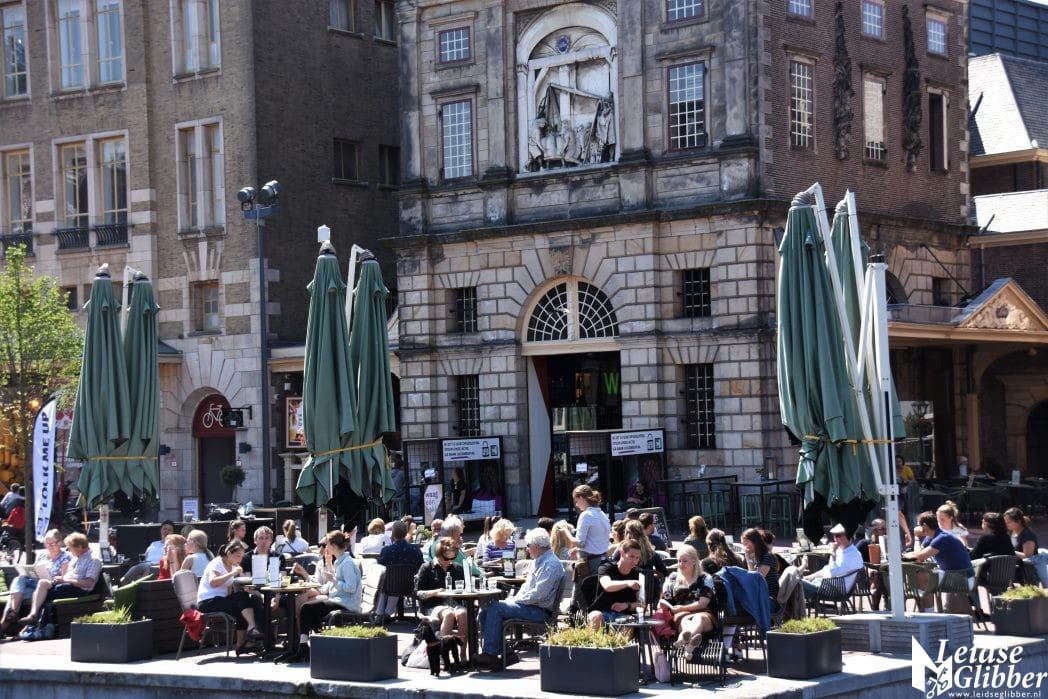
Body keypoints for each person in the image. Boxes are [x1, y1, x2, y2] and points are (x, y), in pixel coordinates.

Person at [475, 528, 567, 669]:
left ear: (537, 546)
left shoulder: (550, 564)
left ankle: (491, 655)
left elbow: (538, 595)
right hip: (531, 606)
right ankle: (507, 653)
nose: (527, 549)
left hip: (541, 611)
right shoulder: (539, 561)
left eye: (528, 546)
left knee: (495, 607)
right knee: (485, 613)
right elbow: (527, 588)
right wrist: (513, 600)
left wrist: (514, 601)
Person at [296, 530, 362, 661]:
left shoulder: (347, 563)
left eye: (327, 544)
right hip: (339, 600)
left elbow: (351, 588)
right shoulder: (339, 562)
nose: (325, 547)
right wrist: (329, 567)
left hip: (346, 604)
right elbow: (328, 587)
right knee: (309, 609)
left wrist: (333, 579)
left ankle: (304, 647)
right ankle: (313, 645)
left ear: (333, 545)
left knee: (307, 609)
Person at [20, 532, 102, 636]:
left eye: (70, 548)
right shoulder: (76, 558)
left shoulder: (93, 560)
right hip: (67, 585)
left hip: (79, 589)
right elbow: (68, 576)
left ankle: (33, 624)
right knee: (42, 583)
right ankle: (33, 616)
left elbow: (88, 583)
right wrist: (61, 578)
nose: (69, 550)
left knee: (44, 595)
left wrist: (66, 580)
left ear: (80, 547)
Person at [196, 539, 265, 651]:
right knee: (240, 608)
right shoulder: (217, 563)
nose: (240, 559)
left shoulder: (233, 566)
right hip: (208, 601)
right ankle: (244, 641)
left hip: (221, 599)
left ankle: (251, 632)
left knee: (244, 598)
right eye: (238, 556)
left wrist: (256, 592)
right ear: (228, 553)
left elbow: (230, 588)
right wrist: (232, 573)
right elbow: (213, 582)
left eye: (241, 556)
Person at [0, 529, 70, 636]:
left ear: (60, 542)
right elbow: (35, 569)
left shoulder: (65, 557)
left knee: (13, 597)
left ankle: (4, 625)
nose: (49, 547)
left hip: (46, 586)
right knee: (19, 579)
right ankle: (12, 613)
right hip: (33, 583)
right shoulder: (42, 555)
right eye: (47, 544)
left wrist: (54, 578)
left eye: (52, 544)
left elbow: (64, 577)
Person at [907, 511, 974, 611]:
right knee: (920, 575)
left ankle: (929, 613)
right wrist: (913, 554)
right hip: (953, 575)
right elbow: (918, 553)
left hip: (963, 579)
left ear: (924, 526)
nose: (917, 528)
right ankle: (925, 609)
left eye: (918, 525)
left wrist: (916, 537)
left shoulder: (943, 537)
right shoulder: (932, 537)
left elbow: (919, 557)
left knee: (922, 576)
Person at [660, 544, 717, 658]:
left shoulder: (705, 578)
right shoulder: (672, 578)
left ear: (694, 561)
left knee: (699, 618)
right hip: (681, 615)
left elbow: (703, 603)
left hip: (703, 612)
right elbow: (665, 599)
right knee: (685, 622)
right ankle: (689, 647)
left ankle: (682, 641)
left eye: (685, 561)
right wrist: (664, 604)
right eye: (679, 561)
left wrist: (682, 608)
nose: (681, 564)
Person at [414, 536, 468, 642]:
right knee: (448, 614)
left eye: (452, 558)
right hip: (434, 605)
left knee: (463, 614)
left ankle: (462, 650)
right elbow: (417, 593)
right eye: (446, 558)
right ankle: (442, 648)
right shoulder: (427, 568)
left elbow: (466, 588)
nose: (449, 561)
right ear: (438, 555)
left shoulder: (457, 568)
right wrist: (436, 592)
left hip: (455, 604)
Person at [374, 520, 424, 625]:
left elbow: (380, 567)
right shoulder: (415, 549)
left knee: (383, 580)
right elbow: (422, 566)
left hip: (390, 586)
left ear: (393, 534)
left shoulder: (386, 550)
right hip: (410, 586)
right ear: (406, 533)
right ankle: (385, 613)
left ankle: (380, 614)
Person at [588, 539, 643, 630]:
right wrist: (628, 583)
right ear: (622, 553)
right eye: (631, 556)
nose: (634, 561)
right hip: (602, 611)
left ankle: (623, 640)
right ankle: (594, 640)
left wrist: (627, 605)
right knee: (595, 616)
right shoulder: (606, 568)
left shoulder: (639, 574)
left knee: (629, 622)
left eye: (637, 558)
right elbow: (607, 586)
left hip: (624, 614)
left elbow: (642, 604)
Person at [800, 523, 864, 600]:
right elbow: (827, 569)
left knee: (795, 584)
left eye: (838, 536)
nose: (835, 539)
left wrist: (832, 553)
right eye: (834, 536)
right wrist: (810, 577)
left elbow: (832, 573)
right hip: (825, 585)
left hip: (835, 591)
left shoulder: (853, 555)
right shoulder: (842, 550)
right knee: (796, 582)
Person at [567, 485, 612, 583]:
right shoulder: (602, 514)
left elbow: (580, 543)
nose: (576, 505)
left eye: (576, 501)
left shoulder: (586, 515)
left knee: (582, 591)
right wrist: (578, 549)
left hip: (589, 563)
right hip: (603, 560)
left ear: (581, 498)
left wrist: (565, 533)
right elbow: (596, 539)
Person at [741, 528, 779, 609]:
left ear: (755, 542)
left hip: (769, 600)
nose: (744, 547)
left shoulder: (767, 556)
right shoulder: (758, 557)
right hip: (761, 598)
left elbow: (756, 579)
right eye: (743, 544)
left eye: (746, 543)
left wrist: (748, 558)